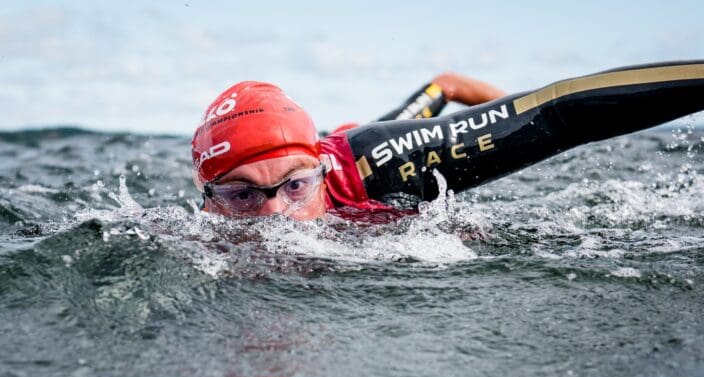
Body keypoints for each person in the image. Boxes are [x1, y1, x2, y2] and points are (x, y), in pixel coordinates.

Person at [191, 61, 704, 221]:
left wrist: (511, 137)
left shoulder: (387, 161)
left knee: (436, 99)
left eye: (297, 188)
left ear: (320, 172)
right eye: (242, 197)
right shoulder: (202, 225)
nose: (274, 216)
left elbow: (559, 111)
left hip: (365, 147)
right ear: (210, 202)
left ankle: (458, 91)